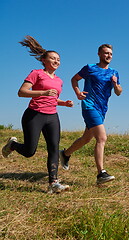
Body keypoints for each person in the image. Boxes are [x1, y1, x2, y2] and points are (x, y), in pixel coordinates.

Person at [1, 36, 74, 193]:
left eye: (58, 59)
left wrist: (64, 103)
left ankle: (53, 183)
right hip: (34, 115)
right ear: (44, 60)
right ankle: (12, 145)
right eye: (53, 58)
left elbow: (52, 98)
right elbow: (22, 92)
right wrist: (43, 92)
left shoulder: (59, 80)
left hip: (52, 116)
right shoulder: (36, 73)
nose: (56, 61)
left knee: (54, 148)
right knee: (29, 151)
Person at [59, 44, 122, 185]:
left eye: (110, 53)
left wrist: (116, 85)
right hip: (89, 106)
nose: (108, 56)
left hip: (102, 109)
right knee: (102, 138)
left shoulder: (114, 73)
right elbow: (74, 79)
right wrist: (78, 92)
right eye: (106, 53)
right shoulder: (90, 68)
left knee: (86, 138)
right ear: (99, 54)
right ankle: (101, 173)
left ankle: (65, 154)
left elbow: (118, 92)